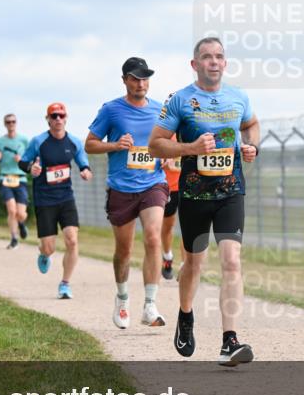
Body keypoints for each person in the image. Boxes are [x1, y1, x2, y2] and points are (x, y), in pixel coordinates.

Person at [148, 37, 260, 367]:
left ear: (225, 63)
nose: (214, 62)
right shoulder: (181, 101)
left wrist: (252, 146)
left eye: (219, 57)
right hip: (195, 195)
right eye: (207, 57)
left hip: (231, 192)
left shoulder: (239, 97)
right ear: (194, 64)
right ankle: (185, 315)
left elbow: (251, 124)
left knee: (232, 262)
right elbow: (155, 145)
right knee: (194, 264)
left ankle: (230, 341)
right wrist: (191, 149)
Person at [85, 57, 168, 329]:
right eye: (135, 78)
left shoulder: (160, 110)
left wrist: (167, 155)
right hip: (122, 187)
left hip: (152, 183)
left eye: (144, 78)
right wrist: (116, 145)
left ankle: (150, 305)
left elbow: (170, 141)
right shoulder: (111, 110)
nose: (140, 83)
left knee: (154, 238)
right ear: (125, 80)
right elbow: (90, 145)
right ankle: (122, 299)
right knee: (124, 250)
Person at [20, 102, 93, 299]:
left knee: (72, 240)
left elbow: (82, 161)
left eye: (61, 115)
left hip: (66, 198)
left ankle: (65, 284)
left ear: (66, 118)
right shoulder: (38, 141)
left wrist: (85, 170)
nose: (58, 119)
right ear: (48, 120)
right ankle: (44, 254)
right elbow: (23, 162)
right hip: (44, 200)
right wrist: (31, 169)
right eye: (54, 116)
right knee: (49, 247)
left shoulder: (74, 142)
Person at [0, 113, 30, 249]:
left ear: (16, 123)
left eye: (13, 121)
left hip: (20, 178)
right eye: (8, 122)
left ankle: (21, 224)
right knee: (12, 211)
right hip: (5, 178)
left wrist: (22, 160)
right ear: (5, 124)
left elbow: (31, 159)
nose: (11, 124)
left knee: (21, 213)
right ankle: (14, 238)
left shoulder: (24, 140)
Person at [160, 137, 182, 280]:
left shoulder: (189, 131)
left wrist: (175, 167)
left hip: (188, 186)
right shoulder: (162, 133)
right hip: (168, 188)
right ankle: (167, 257)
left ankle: (186, 265)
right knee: (168, 226)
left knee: (189, 228)